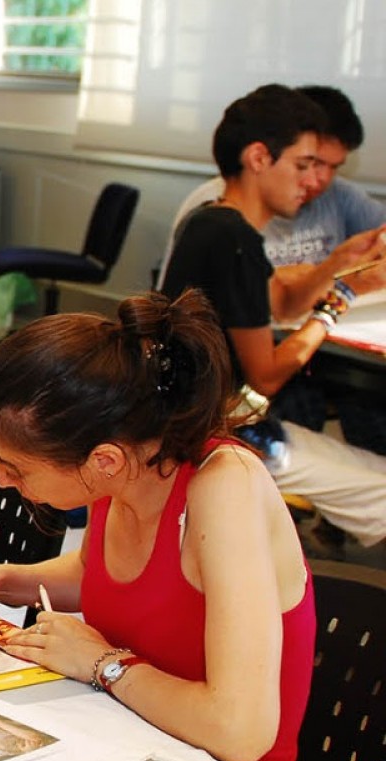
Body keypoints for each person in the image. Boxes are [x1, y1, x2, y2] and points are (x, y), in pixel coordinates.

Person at [0, 292, 317, 761]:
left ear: (103, 460)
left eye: (13, 466)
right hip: (137, 749)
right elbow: (103, 576)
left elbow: (239, 732)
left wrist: (102, 663)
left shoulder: (225, 486)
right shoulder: (125, 462)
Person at [159, 84, 386, 550]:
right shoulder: (236, 240)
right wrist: (341, 295)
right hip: (217, 436)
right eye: (303, 166)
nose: (313, 182)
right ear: (259, 158)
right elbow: (266, 377)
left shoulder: (215, 221)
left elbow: (280, 306)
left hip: (192, 423)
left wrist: (338, 263)